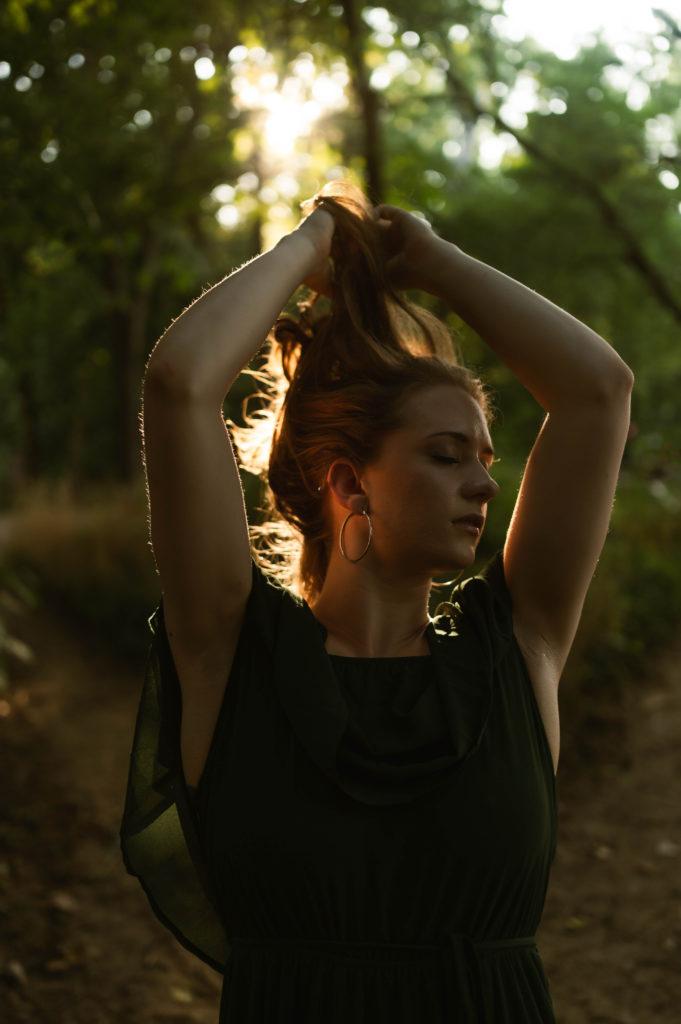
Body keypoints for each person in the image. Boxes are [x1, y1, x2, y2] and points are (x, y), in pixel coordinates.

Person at [121, 181, 633, 1022]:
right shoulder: (229, 649)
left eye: (484, 458)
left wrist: (433, 260)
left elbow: (598, 393)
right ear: (351, 481)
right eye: (444, 456)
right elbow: (179, 384)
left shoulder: (517, 645)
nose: (482, 484)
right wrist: (313, 240)